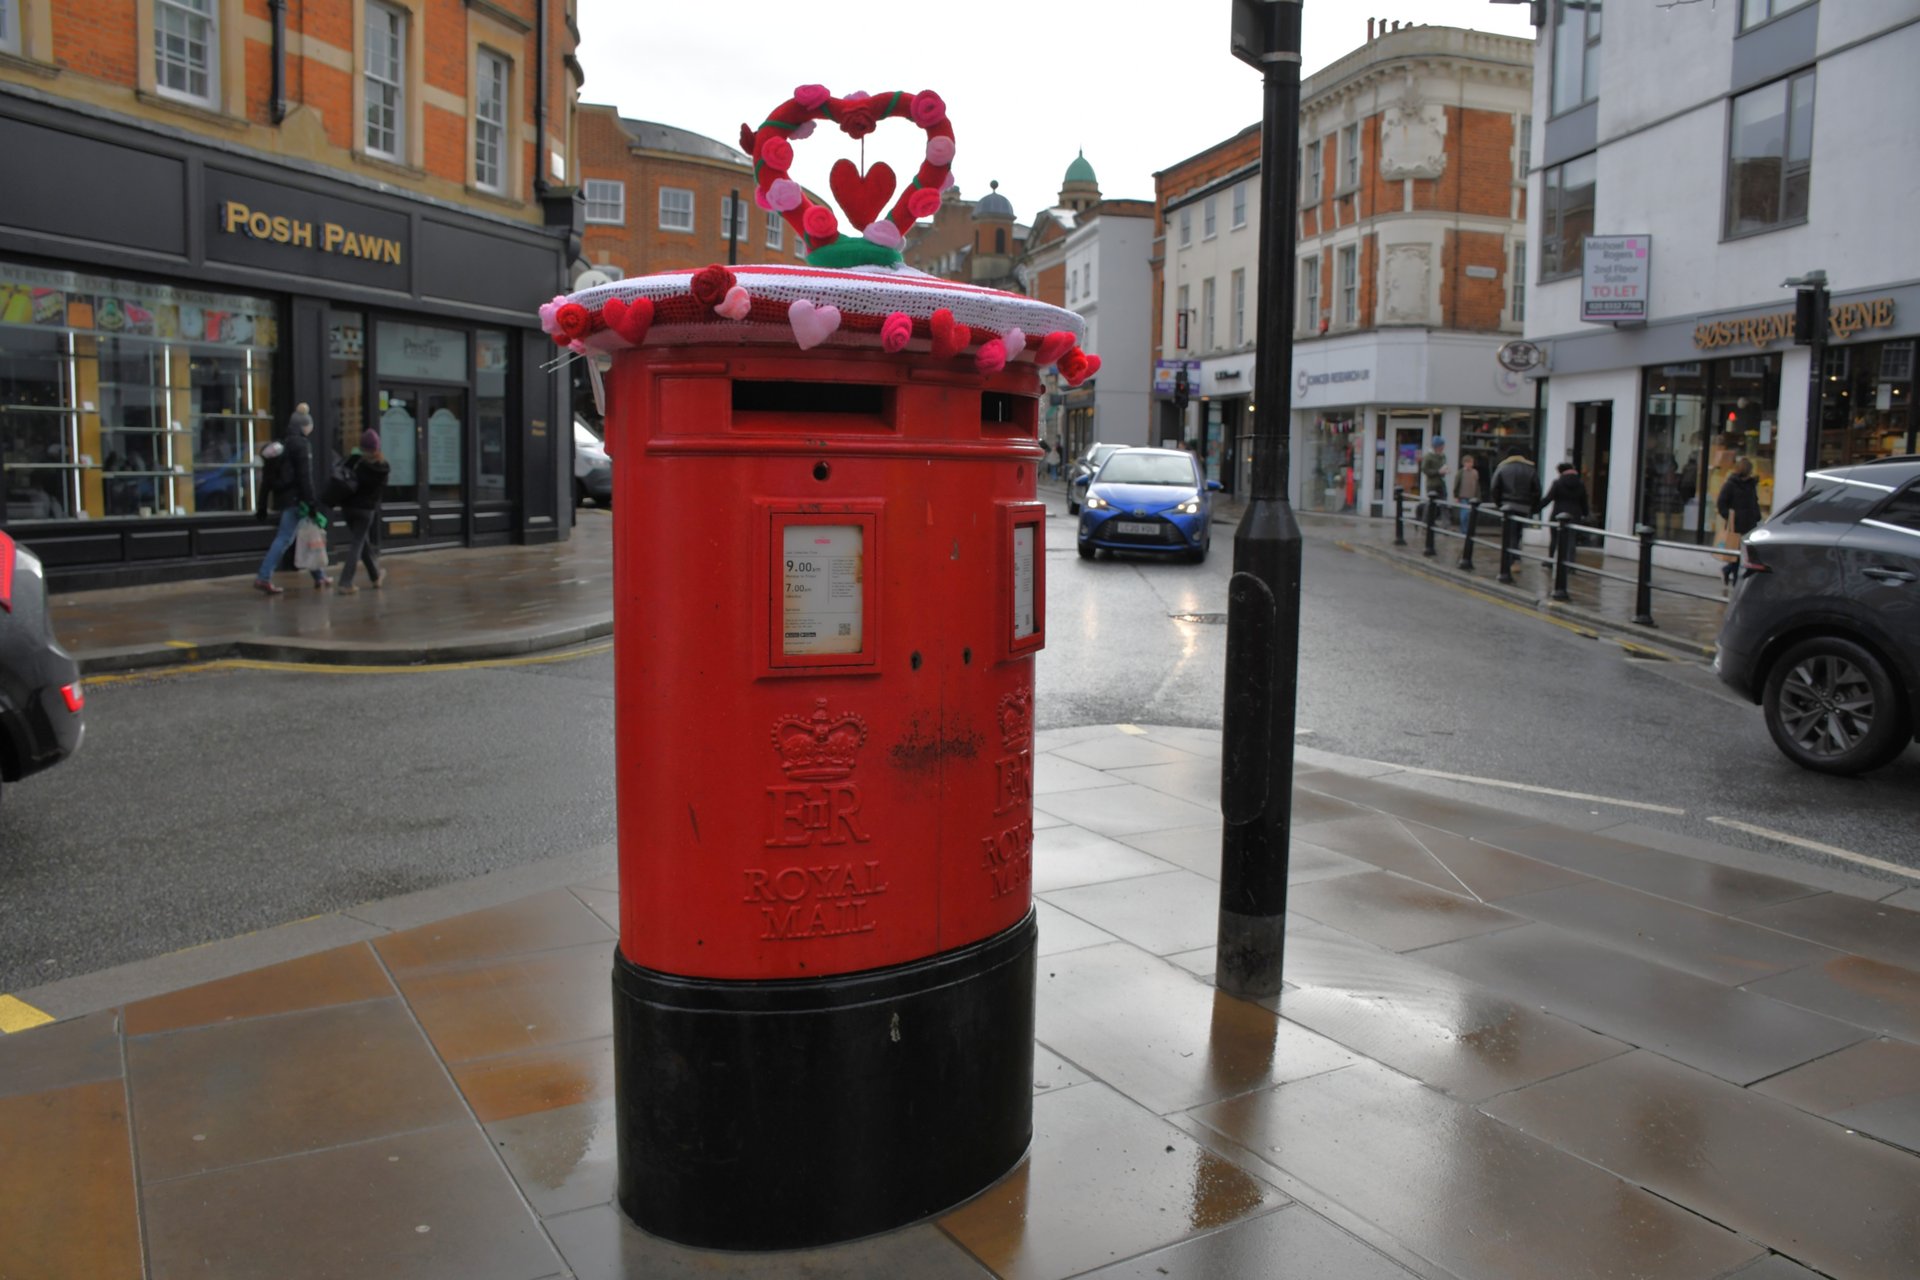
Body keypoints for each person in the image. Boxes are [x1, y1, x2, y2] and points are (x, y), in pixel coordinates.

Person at [252, 402, 329, 595]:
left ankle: (319, 576)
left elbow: (267, 479)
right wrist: (311, 503)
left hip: (284, 498)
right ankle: (263, 577)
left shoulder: (279, 446)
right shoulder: (301, 445)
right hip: (297, 499)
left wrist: (262, 504)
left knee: (309, 535)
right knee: (285, 538)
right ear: (305, 426)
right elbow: (305, 476)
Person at [332, 429, 391, 594]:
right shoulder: (383, 467)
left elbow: (340, 474)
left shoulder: (355, 461)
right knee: (358, 543)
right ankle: (346, 582)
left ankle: (375, 575)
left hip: (349, 508)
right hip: (366, 511)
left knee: (361, 541)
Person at [1715, 455, 1763, 585]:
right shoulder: (1731, 485)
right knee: (1737, 554)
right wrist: (1730, 517)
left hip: (1749, 524)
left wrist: (1757, 516)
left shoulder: (1751, 485)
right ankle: (1734, 578)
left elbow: (1754, 502)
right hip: (1736, 526)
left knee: (1743, 554)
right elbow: (1721, 503)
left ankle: (1728, 571)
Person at [1487, 449, 1540, 561]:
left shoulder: (1502, 468)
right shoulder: (1530, 469)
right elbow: (1537, 490)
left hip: (1507, 505)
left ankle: (1508, 558)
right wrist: (1533, 505)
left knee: (1509, 532)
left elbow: (1494, 487)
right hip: (1524, 506)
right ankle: (1515, 554)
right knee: (1518, 532)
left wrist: (1499, 503)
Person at [1541, 462, 1591, 563]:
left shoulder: (1558, 482)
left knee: (1554, 539)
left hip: (1558, 514)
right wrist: (1585, 513)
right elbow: (1584, 501)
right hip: (1575, 515)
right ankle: (1570, 563)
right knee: (1571, 540)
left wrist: (1536, 508)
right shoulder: (1580, 484)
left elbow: (1548, 498)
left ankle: (1550, 560)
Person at [1419, 437, 1448, 521]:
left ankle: (1446, 526)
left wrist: (1445, 470)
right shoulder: (1428, 457)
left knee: (1444, 504)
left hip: (1441, 483)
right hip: (1432, 484)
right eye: (1441, 445)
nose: (1443, 447)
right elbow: (1425, 470)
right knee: (1430, 504)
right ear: (1436, 446)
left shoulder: (1443, 456)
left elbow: (1443, 465)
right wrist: (1438, 472)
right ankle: (1426, 523)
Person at [1453, 454, 1481, 538]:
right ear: (1464, 463)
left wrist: (1478, 497)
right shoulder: (1460, 472)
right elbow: (1456, 485)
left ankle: (1469, 530)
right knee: (1464, 514)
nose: (1470, 464)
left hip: (1472, 497)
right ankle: (1463, 530)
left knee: (1470, 515)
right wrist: (1456, 496)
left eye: (1471, 462)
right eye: (1468, 462)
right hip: (1463, 496)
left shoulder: (1475, 472)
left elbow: (1477, 486)